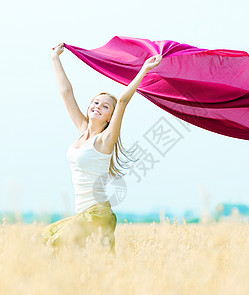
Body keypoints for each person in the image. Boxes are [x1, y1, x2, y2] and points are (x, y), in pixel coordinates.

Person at [40, 42, 162, 254]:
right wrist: (55, 59)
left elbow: (123, 101)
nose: (98, 107)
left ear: (109, 117)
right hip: (82, 214)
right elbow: (66, 93)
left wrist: (144, 69)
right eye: (95, 103)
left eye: (105, 106)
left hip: (97, 213)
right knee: (47, 240)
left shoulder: (105, 140)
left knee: (56, 245)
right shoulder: (82, 129)